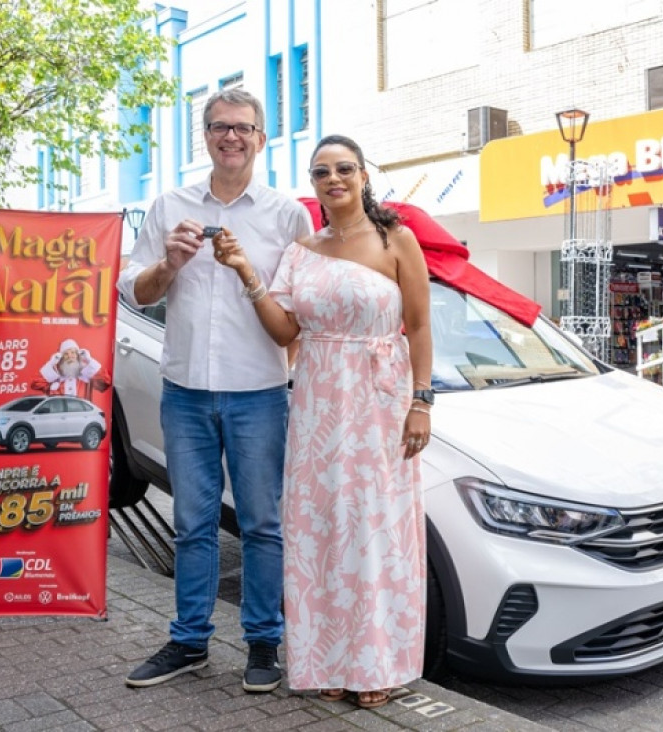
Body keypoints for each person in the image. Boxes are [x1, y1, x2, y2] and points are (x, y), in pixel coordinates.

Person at [214, 134, 432, 709]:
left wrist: (422, 401)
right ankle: (329, 660)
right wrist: (245, 272)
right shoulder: (302, 250)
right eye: (320, 172)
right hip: (315, 403)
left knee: (374, 531)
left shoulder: (396, 240)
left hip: (380, 402)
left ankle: (377, 662)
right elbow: (286, 332)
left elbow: (421, 325)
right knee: (322, 532)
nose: (332, 179)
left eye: (343, 169)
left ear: (363, 175)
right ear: (312, 184)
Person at [117, 88, 312, 694]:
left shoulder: (286, 215)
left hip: (259, 392)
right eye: (219, 127)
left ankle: (262, 644)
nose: (232, 136)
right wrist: (169, 263)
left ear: (261, 137)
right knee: (192, 524)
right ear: (203, 136)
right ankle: (189, 640)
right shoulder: (168, 206)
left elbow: (302, 307)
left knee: (261, 524)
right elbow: (138, 293)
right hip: (187, 392)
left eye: (244, 128)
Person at [30, 338, 109, 400]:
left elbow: (105, 383)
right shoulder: (54, 374)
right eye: (66, 354)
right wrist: (50, 364)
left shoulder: (87, 374)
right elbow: (35, 383)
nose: (70, 356)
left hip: (83, 417)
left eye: (73, 352)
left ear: (78, 355)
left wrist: (90, 360)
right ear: (61, 358)